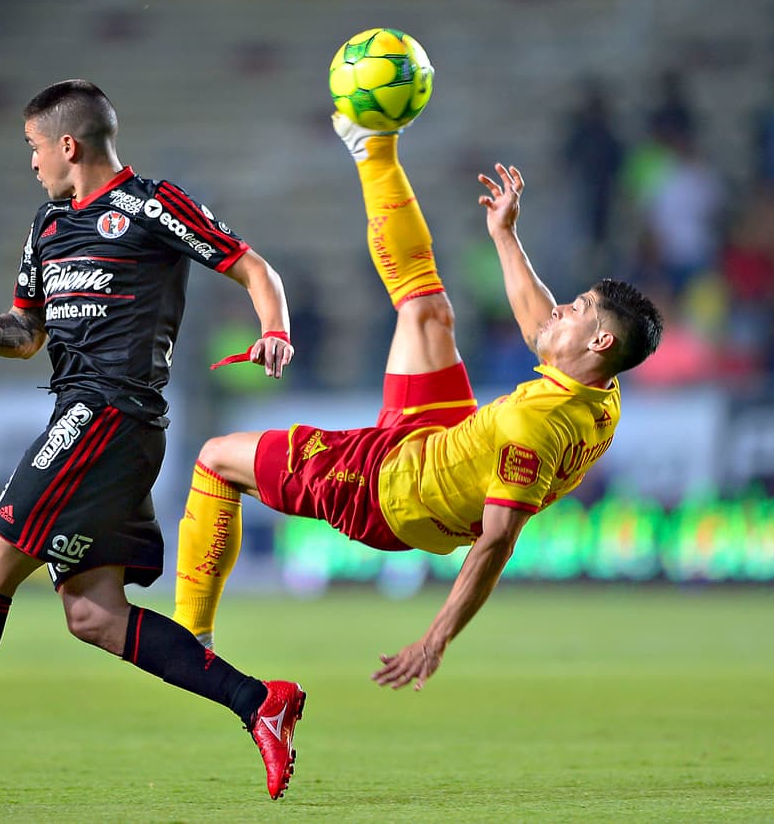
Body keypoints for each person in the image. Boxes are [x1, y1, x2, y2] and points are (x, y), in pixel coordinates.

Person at [0, 80, 306, 800]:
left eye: (34, 147)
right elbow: (27, 331)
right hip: (86, 418)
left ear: (67, 145)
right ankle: (262, 702)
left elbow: (255, 268)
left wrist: (275, 330)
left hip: (110, 414)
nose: (32, 162)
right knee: (94, 614)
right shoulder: (46, 225)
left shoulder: (151, 204)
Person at [172, 114, 663, 691]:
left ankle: (189, 640)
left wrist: (434, 640)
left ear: (601, 341)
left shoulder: (537, 426)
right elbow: (540, 325)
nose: (562, 309)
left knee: (214, 458)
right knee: (426, 309)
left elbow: (497, 541)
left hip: (393, 489)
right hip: (441, 441)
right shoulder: (602, 390)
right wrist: (504, 235)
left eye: (578, 308)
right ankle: (373, 147)